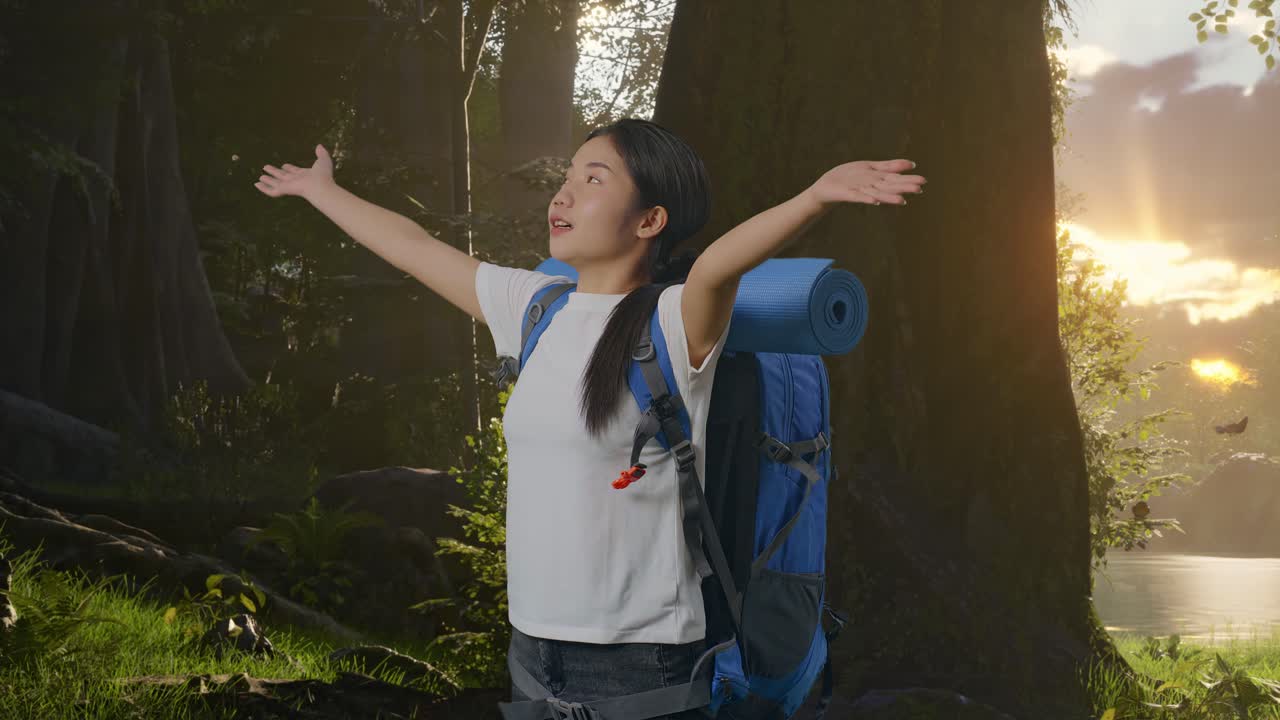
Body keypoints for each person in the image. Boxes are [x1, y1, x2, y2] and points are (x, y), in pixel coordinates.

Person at [255, 117, 924, 717]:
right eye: (568, 175)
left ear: (649, 220)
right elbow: (414, 246)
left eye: (593, 178)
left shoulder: (673, 323)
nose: (563, 194)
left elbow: (721, 264)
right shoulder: (535, 308)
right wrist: (323, 192)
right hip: (534, 648)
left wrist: (815, 197)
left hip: (642, 661)